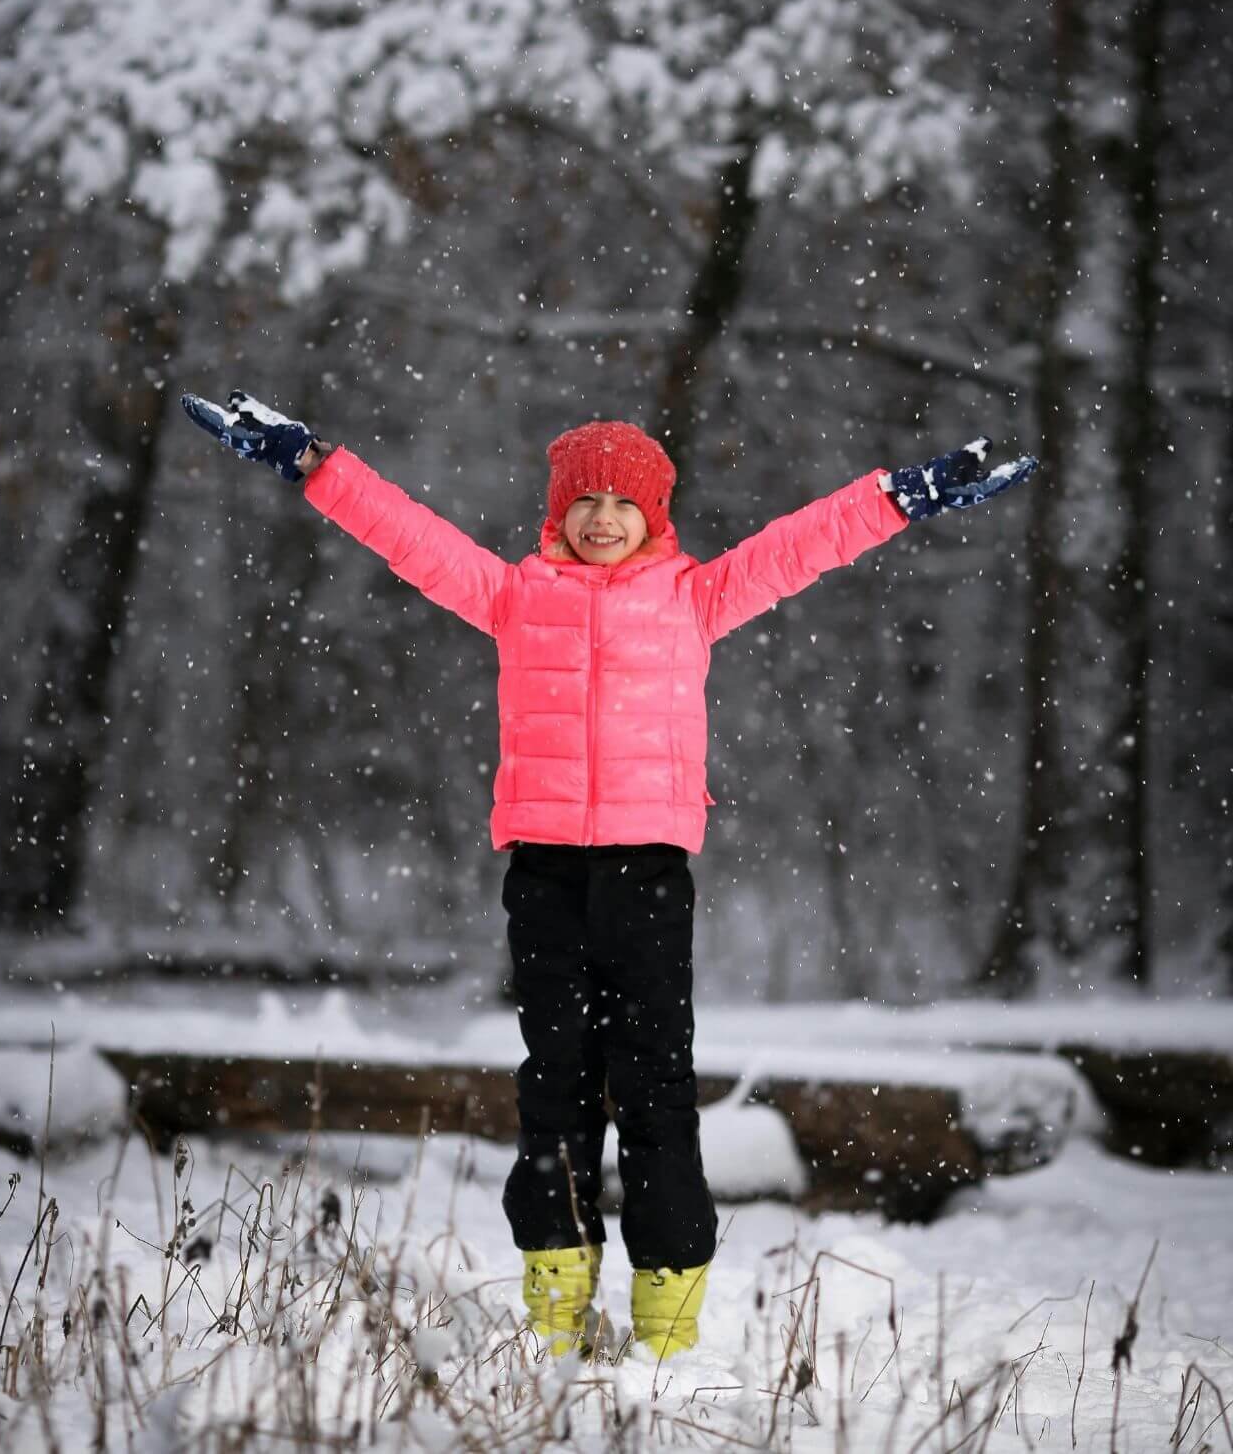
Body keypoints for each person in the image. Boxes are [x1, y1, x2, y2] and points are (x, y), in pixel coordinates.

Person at [182, 390, 1035, 1359]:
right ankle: (555, 1315)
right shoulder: (513, 595)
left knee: (656, 1094)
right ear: (557, 512)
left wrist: (900, 496)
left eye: (622, 503)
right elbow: (407, 533)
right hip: (544, 874)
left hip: (646, 876)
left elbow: (805, 542)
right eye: (583, 500)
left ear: (653, 516)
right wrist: (314, 464)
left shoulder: (694, 596)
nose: (601, 518)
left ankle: (665, 1327)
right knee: (554, 1091)